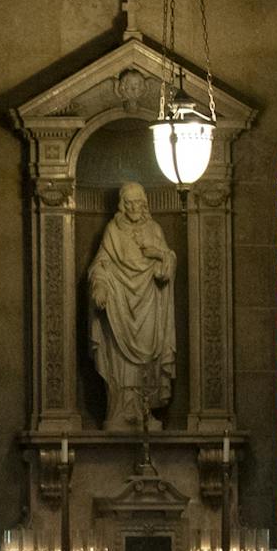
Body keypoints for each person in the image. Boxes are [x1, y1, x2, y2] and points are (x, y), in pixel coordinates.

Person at [87, 181, 177, 431]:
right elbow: (100, 265)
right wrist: (100, 288)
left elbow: (166, 267)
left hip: (149, 305)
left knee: (148, 359)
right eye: (130, 203)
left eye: (139, 202)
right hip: (119, 308)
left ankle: (145, 411)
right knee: (120, 364)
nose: (135, 207)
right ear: (122, 205)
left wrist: (159, 255)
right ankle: (120, 411)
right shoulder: (113, 231)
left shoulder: (155, 229)